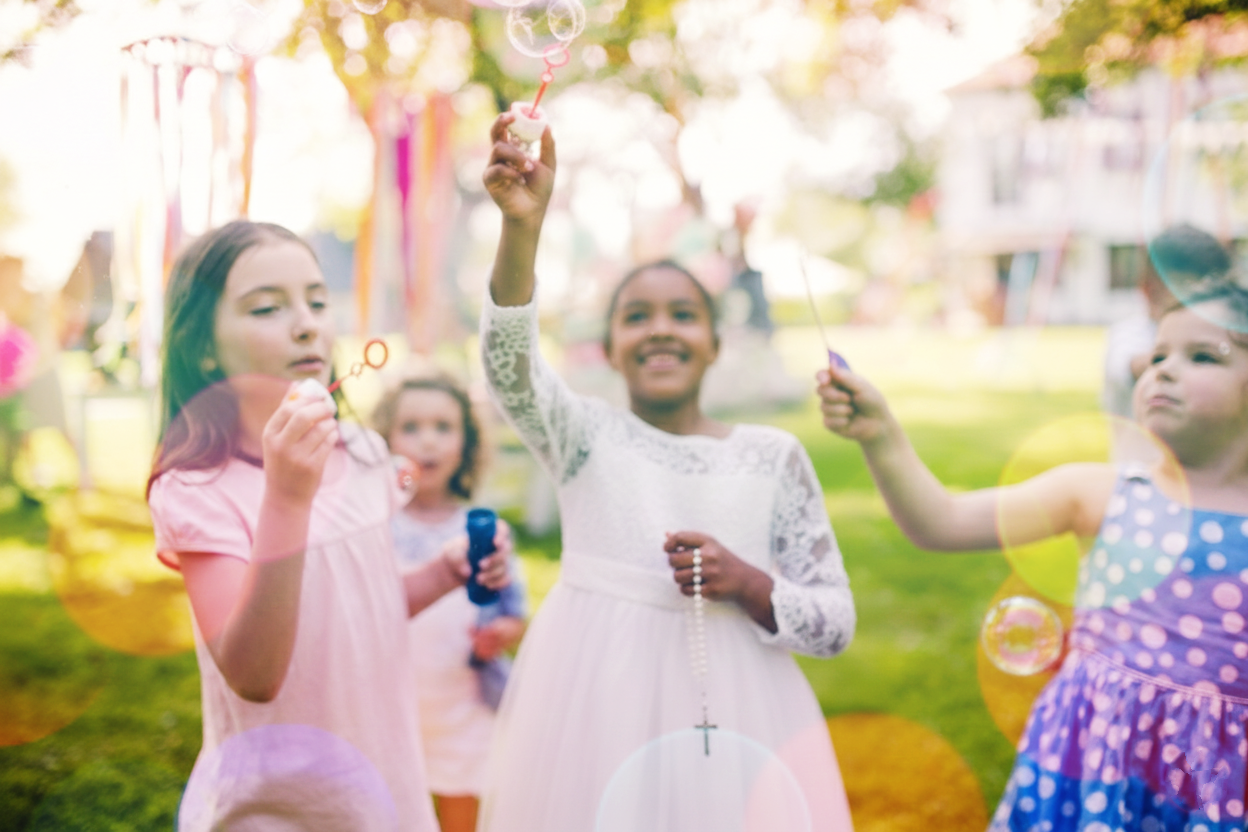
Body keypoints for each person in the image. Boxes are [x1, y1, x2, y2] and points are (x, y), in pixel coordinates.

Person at [477, 112, 856, 831]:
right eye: (637, 316)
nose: (659, 328)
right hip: (598, 706)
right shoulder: (584, 435)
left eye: (682, 315)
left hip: (741, 717)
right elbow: (509, 368)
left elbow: (834, 622)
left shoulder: (772, 457)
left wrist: (749, 584)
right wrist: (521, 229)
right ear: (611, 347)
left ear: (715, 342)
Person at [817, 282, 1248, 830]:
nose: (1162, 370)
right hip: (1094, 759)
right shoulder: (1099, 492)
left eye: (1203, 356)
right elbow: (940, 521)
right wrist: (881, 435)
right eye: (1157, 356)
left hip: (1219, 783)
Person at [144, 219, 513, 832]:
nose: (306, 322)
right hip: (280, 806)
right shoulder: (196, 490)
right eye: (266, 307)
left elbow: (366, 606)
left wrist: (445, 573)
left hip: (384, 783)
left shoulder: (363, 453)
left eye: (317, 301)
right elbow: (253, 673)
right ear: (202, 344)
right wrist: (287, 500)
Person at [371, 370, 528, 832]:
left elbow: (513, 613)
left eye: (443, 427)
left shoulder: (484, 527)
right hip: (389, 706)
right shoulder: (373, 522)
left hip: (464, 704)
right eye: (412, 427)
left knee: (463, 805)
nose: (428, 442)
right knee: (392, 806)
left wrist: (500, 635)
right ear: (386, 439)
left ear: (467, 443)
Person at [1103, 224, 1230, 419]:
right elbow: (1134, 366)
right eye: (1193, 294)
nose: (1208, 305)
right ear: (1150, 290)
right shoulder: (1130, 334)